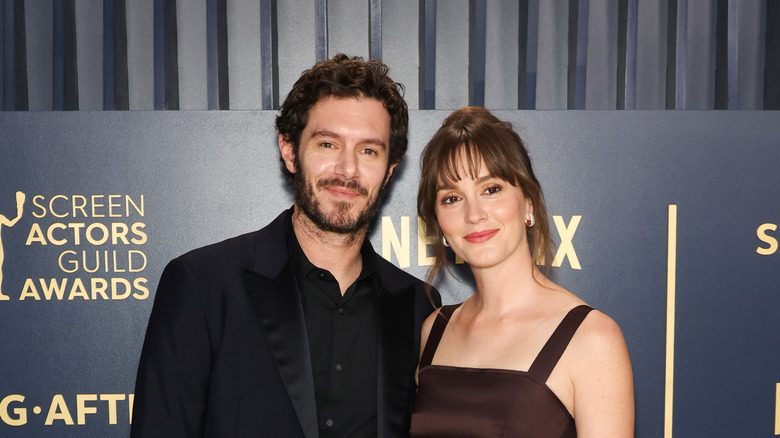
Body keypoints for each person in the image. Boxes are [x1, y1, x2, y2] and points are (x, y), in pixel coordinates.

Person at [131, 54, 439, 438]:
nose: (347, 169)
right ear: (290, 151)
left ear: (390, 170)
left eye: (368, 150)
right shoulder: (203, 285)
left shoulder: (419, 306)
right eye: (328, 144)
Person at [410, 107, 634, 437]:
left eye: (491, 189)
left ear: (527, 202)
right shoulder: (435, 330)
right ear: (440, 224)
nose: (474, 214)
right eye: (452, 197)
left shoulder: (593, 338)